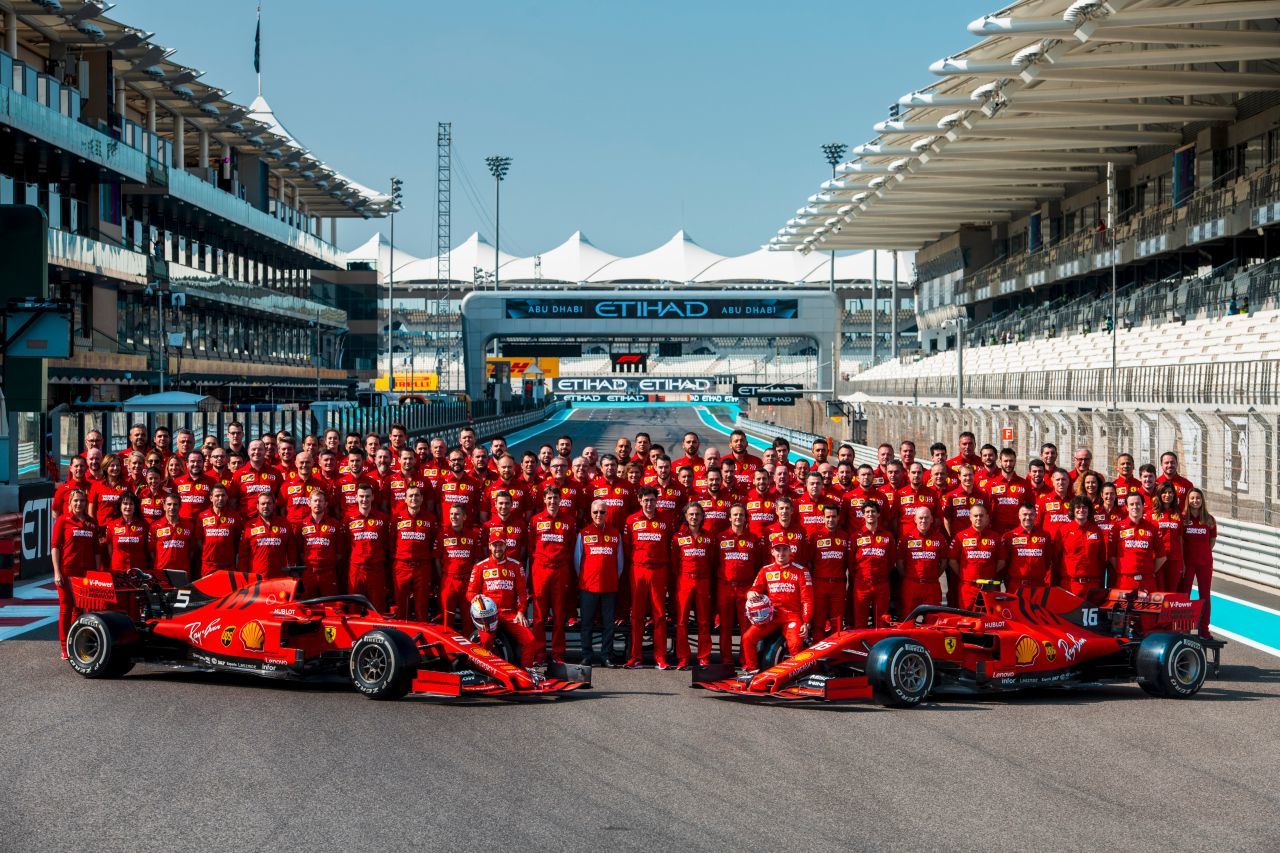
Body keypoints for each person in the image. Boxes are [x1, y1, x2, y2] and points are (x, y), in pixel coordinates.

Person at [739, 541, 813, 673]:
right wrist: (751, 594)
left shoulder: (801, 571)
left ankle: (797, 675)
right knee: (748, 637)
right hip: (771, 615)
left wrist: (806, 622)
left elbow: (807, 599)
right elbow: (754, 589)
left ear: (791, 551)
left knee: (795, 643)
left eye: (785, 549)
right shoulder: (766, 570)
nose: (781, 553)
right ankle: (752, 671)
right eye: (778, 549)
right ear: (772, 552)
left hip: (792, 616)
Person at [466, 538, 537, 667]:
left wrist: (521, 612)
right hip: (489, 615)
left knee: (530, 640)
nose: (498, 548)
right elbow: (470, 593)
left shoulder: (516, 565)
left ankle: (527, 672)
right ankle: (484, 670)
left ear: (505, 546)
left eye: (500, 545)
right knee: (486, 640)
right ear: (489, 546)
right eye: (495, 545)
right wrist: (475, 598)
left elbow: (522, 593)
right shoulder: (480, 566)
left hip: (510, 614)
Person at [624, 487, 673, 669]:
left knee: (659, 615)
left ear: (657, 501)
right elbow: (627, 547)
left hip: (659, 571)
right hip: (638, 570)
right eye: (646, 500)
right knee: (636, 615)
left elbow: (670, 545)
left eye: (652, 500)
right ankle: (635, 656)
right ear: (639, 500)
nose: (649, 504)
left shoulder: (666, 520)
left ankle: (660, 657)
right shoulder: (631, 520)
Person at [528, 489, 577, 664]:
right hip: (540, 569)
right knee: (539, 616)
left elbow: (571, 547)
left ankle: (558, 654)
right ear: (544, 499)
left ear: (561, 500)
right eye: (549, 498)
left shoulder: (569, 521)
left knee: (559, 615)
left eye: (556, 498)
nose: (552, 501)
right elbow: (530, 547)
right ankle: (539, 654)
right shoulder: (535, 520)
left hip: (561, 570)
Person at [575, 500, 624, 666]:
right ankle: (587, 655)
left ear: (607, 514)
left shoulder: (615, 533)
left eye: (602, 512)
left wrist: (610, 577)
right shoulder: (583, 533)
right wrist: (586, 578)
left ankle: (606, 656)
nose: (599, 515)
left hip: (609, 587)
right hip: (588, 587)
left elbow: (620, 563)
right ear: (591, 513)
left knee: (608, 625)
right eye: (596, 512)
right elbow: (577, 561)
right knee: (587, 624)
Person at [51, 489, 98, 655]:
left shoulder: (92, 523)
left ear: (86, 503)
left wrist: (96, 573)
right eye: (76, 501)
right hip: (67, 570)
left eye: (82, 501)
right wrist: (57, 572)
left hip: (86, 572)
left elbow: (96, 550)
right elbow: (55, 547)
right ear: (70, 503)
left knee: (80, 608)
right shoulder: (63, 521)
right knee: (66, 607)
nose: (79, 504)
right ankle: (64, 647)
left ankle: (76, 643)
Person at [716, 504, 763, 666]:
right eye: (735, 515)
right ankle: (726, 660)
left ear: (745, 518)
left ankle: (746, 660)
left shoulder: (753, 539)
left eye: (741, 515)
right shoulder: (720, 537)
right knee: (725, 626)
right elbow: (713, 562)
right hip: (725, 586)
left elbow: (758, 564)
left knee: (746, 626)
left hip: (746, 587)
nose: (738, 518)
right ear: (729, 518)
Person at [670, 503, 714, 669]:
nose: (694, 517)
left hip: (703, 581)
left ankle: (704, 656)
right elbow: (674, 563)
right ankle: (683, 657)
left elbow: (711, 561)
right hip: (684, 581)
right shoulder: (678, 537)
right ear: (686, 516)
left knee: (703, 621)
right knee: (682, 622)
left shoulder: (709, 537)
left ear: (702, 516)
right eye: (691, 514)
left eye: (697, 514)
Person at [391, 484, 437, 620]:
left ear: (422, 499)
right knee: (401, 607)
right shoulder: (397, 518)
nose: (414, 498)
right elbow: (391, 541)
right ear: (405, 499)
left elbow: (433, 542)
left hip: (422, 566)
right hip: (402, 566)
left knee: (421, 607)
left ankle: (421, 639)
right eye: (410, 495)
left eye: (417, 495)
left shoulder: (430, 519)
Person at [435, 503, 482, 629]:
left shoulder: (473, 535)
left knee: (468, 618)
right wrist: (444, 576)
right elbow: (437, 560)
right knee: (447, 619)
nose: (453, 517)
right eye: (451, 514)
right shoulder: (442, 535)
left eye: (457, 514)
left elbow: (477, 560)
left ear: (464, 517)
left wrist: (473, 580)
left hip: (467, 581)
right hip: (448, 580)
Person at [808, 503, 851, 639]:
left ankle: (835, 656)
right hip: (819, 584)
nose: (830, 520)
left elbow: (848, 562)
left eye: (833, 517)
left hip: (838, 585)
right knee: (819, 622)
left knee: (837, 623)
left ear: (838, 518)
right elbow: (810, 562)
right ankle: (817, 655)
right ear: (823, 518)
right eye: (827, 517)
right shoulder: (815, 536)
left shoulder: (845, 537)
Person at [346, 483, 392, 610]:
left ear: (372, 497)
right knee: (354, 608)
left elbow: (387, 543)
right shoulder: (348, 519)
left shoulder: (383, 519)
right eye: (361, 496)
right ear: (356, 497)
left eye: (367, 496)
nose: (364, 499)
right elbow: (345, 545)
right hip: (356, 568)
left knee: (377, 607)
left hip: (376, 568)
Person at [948, 502, 1001, 610]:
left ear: (987, 517)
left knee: (990, 619)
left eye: (981, 516)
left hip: (989, 586)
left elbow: (1002, 561)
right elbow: (952, 560)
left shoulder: (996, 537)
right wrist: (964, 575)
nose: (978, 518)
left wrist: (990, 572)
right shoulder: (961, 536)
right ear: (970, 517)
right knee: (966, 619)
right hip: (968, 587)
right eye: (975, 516)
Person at [851, 501, 895, 629]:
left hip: (882, 584)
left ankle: (880, 648)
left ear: (878, 514)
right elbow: (851, 562)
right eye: (867, 512)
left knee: (881, 622)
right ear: (863, 515)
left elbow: (892, 560)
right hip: (862, 584)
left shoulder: (888, 536)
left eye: (873, 511)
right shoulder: (856, 536)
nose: (871, 514)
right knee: (860, 621)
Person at [1110, 492, 1166, 591]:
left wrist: (1150, 571)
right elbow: (1112, 556)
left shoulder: (1152, 528)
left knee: (1148, 607)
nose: (1135, 507)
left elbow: (1162, 557)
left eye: (1138, 504)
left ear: (1143, 506)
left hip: (1147, 581)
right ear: (1126, 507)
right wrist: (1124, 570)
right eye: (1131, 504)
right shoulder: (1117, 528)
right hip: (1125, 581)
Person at [897, 506, 948, 614]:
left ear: (931, 519)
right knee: (907, 620)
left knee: (932, 621)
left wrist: (933, 575)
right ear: (915, 519)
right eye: (920, 518)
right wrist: (909, 577)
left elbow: (944, 562)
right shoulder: (906, 539)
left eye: (926, 517)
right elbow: (900, 563)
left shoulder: (940, 538)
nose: (923, 521)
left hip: (932, 585)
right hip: (911, 585)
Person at [1181, 488, 1217, 637]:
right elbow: (1180, 541)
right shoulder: (1183, 519)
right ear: (1188, 501)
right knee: (1184, 596)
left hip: (1205, 563)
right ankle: (1184, 628)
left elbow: (1211, 542)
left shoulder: (1209, 519)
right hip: (1187, 564)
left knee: (1205, 596)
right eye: (1192, 498)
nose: (1195, 501)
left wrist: (1202, 554)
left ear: (1202, 501)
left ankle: (1204, 629)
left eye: (1198, 498)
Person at [1057, 497, 1109, 594]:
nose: (1081, 510)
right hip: (1070, 585)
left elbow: (1101, 559)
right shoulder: (1063, 530)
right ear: (1073, 510)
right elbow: (1056, 558)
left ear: (1089, 510)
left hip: (1092, 585)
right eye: (1078, 507)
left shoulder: (1096, 530)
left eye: (1084, 507)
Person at [238, 493, 295, 580]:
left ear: (274, 505)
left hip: (279, 577)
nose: (266, 506)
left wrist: (292, 573)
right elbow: (243, 555)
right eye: (263, 504)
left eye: (269, 503)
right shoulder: (249, 526)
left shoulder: (285, 524)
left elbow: (292, 551)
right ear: (257, 506)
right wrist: (243, 576)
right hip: (256, 577)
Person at [1001, 503, 1053, 594]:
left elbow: (1048, 560)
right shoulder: (1009, 536)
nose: (1028, 517)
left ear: (1036, 516)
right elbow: (1004, 563)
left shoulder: (1045, 536)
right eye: (1025, 514)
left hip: (1038, 585)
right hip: (1016, 586)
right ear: (1019, 516)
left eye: (1031, 514)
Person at [149, 494, 197, 583]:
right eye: (169, 504)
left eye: (175, 504)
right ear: (164, 506)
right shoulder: (155, 526)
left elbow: (192, 551)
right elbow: (152, 552)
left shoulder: (189, 526)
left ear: (180, 506)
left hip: (182, 572)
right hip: (161, 571)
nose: (172, 507)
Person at [196, 484, 240, 577]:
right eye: (217, 496)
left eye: (223, 495)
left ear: (227, 497)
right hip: (208, 566)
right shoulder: (202, 516)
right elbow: (199, 540)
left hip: (228, 565)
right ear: (211, 498)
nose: (220, 498)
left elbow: (237, 540)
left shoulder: (235, 516)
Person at [1149, 482, 1185, 592]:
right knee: (1159, 592)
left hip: (1175, 560)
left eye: (1170, 493)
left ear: (1174, 495)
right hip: (1158, 559)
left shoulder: (1178, 514)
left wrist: (1182, 562)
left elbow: (1180, 539)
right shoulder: (1151, 514)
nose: (1167, 495)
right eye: (1164, 492)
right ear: (1159, 494)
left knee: (1171, 592)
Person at [104, 492, 149, 574]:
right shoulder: (111, 525)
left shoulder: (144, 525)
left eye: (131, 504)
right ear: (120, 507)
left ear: (135, 507)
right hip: (118, 569)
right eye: (125, 504)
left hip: (139, 570)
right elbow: (110, 550)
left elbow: (147, 548)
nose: (128, 507)